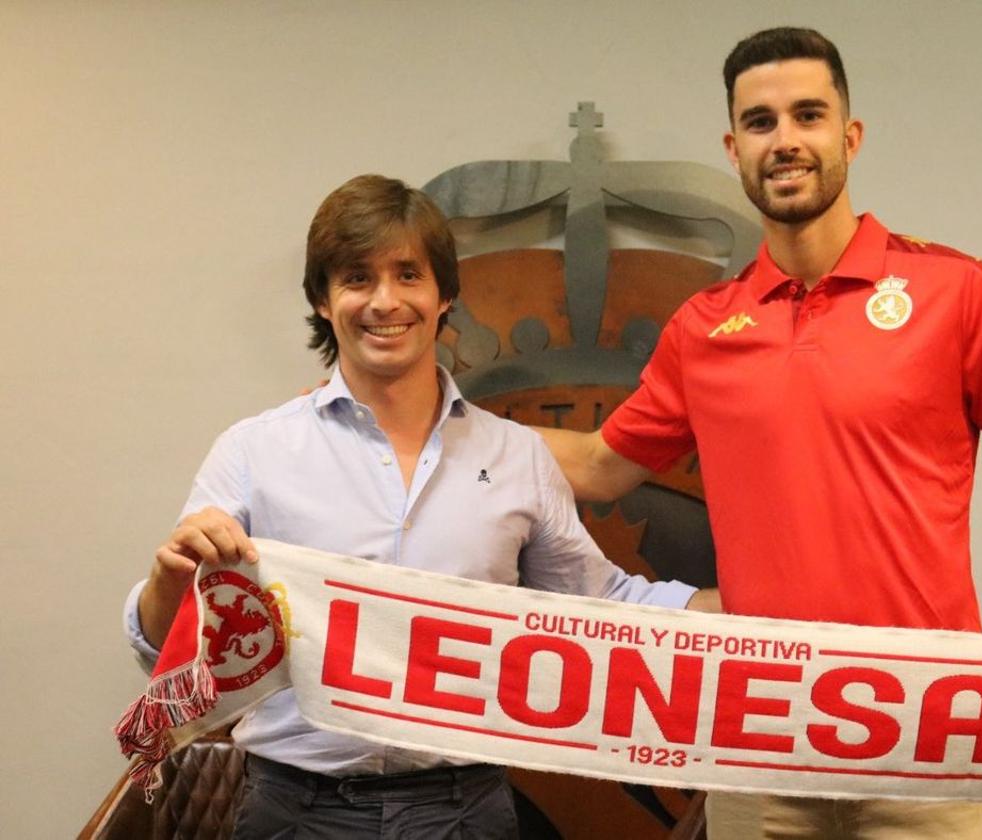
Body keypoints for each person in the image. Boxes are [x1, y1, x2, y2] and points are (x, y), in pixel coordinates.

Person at [538, 27, 982, 839]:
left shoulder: (954, 293)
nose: (785, 140)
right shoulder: (703, 329)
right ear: (734, 148)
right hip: (765, 746)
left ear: (849, 136)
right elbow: (600, 466)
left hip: (932, 743)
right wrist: (437, 425)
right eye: (761, 122)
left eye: (808, 115)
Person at [124, 174, 719, 840]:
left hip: (466, 811)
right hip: (295, 812)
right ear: (323, 300)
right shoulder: (253, 452)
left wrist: (747, 618)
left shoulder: (519, 457)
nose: (385, 301)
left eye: (408, 275)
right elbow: (164, 651)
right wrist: (169, 579)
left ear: (443, 297)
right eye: (356, 278)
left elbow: (599, 607)